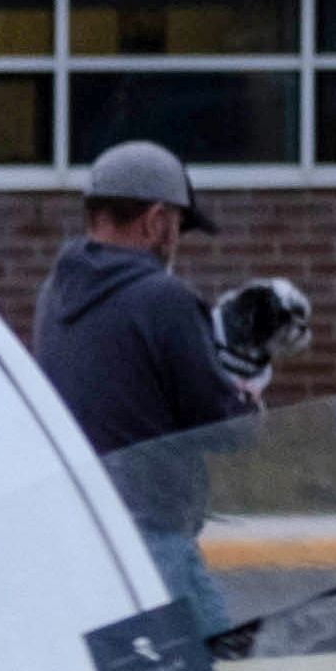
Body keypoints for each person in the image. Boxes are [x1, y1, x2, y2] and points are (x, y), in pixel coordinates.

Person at [33, 138, 251, 456]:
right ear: (156, 221)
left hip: (80, 499)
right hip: (151, 502)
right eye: (178, 224)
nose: (176, 240)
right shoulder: (165, 300)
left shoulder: (52, 291)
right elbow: (221, 431)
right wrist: (245, 402)